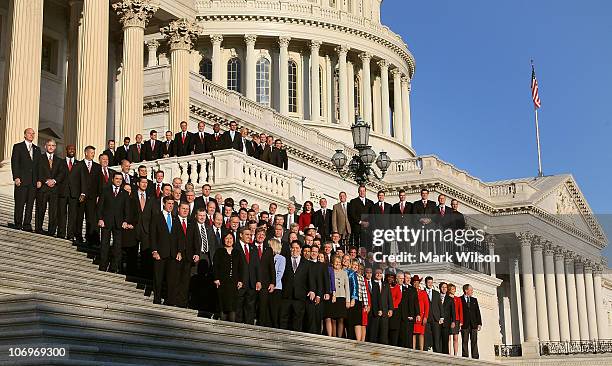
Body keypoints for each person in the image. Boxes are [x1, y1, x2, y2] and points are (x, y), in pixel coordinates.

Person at [150, 196, 182, 305]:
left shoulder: (175, 218)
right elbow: (153, 235)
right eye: (169, 203)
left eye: (172, 204)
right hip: (160, 253)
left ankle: (169, 300)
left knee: (171, 279)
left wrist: (179, 251)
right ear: (164, 203)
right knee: (158, 278)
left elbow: (179, 237)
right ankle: (157, 298)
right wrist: (154, 251)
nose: (171, 206)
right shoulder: (156, 217)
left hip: (172, 254)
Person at [97, 172, 129, 272]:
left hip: (119, 223)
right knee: (104, 244)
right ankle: (103, 265)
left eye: (120, 179)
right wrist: (100, 219)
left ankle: (114, 267)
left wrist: (125, 221)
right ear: (112, 179)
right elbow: (100, 206)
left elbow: (126, 209)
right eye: (117, 179)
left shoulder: (125, 193)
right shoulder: (105, 190)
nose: (118, 181)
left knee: (117, 246)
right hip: (106, 221)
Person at [280, 240, 315, 331]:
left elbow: (310, 278)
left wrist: (312, 290)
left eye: (297, 248)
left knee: (297, 319)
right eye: (293, 248)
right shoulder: (285, 260)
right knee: (284, 318)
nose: (294, 250)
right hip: (286, 294)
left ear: (300, 249)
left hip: (300, 296)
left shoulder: (307, 263)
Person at [10, 128, 40, 231]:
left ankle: (27, 224)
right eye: (29, 133)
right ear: (25, 135)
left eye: (33, 134)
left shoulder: (37, 149)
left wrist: (38, 180)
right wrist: (16, 177)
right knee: (20, 203)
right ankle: (18, 223)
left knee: (30, 205)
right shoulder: (18, 147)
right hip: (21, 180)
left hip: (32, 182)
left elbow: (38, 167)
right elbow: (15, 163)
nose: (31, 135)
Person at [35, 139, 65, 236]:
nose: (51, 147)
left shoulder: (60, 160)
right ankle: (38, 228)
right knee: (41, 209)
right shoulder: (40, 158)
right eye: (49, 145)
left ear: (55, 147)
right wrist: (46, 180)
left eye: (53, 145)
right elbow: (38, 171)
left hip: (54, 189)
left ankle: (51, 231)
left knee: (53, 211)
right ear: (45, 146)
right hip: (43, 187)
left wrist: (54, 181)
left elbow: (61, 173)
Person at [213, 231, 244, 322]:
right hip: (222, 282)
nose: (229, 240)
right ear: (223, 240)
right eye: (227, 238)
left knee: (232, 305)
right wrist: (216, 278)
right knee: (223, 304)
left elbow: (241, 267)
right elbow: (215, 266)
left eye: (231, 238)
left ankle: (232, 327)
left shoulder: (237, 252)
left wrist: (240, 280)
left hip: (233, 282)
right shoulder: (219, 251)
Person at [76, 145, 102, 245]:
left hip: (92, 197)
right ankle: (78, 235)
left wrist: (98, 196)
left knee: (90, 218)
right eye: (91, 153)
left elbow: (99, 183)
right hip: (81, 197)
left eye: (94, 153)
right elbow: (76, 181)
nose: (93, 155)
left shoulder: (97, 167)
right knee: (79, 217)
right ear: (86, 153)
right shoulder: (79, 164)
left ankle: (89, 237)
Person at [254, 227, 276, 327]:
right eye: (259, 234)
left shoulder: (268, 250)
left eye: (263, 235)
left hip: (265, 282)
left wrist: (273, 282)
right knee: (251, 303)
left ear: (265, 237)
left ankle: (261, 325)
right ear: (255, 235)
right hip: (252, 280)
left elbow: (272, 267)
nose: (260, 236)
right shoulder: (250, 247)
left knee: (263, 305)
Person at [57, 144, 80, 240]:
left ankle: (70, 234)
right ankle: (61, 233)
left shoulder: (79, 164)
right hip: (62, 192)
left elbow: (81, 179)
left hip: (74, 193)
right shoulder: (60, 162)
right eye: (70, 149)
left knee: (72, 215)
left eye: (73, 149)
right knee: (61, 213)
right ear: (66, 150)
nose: (72, 150)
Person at [328, 255, 350, 338]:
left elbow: (347, 287)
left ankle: (340, 337)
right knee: (333, 319)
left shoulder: (344, 273)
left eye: (338, 261)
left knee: (341, 319)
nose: (337, 263)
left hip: (342, 297)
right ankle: (333, 337)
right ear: (333, 263)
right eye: (335, 261)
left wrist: (348, 300)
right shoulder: (330, 271)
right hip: (333, 297)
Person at [369, 268, 392, 344]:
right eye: (377, 273)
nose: (379, 274)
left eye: (380, 273)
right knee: (374, 332)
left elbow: (389, 298)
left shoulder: (386, 285)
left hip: (385, 312)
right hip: (374, 312)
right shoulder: (371, 283)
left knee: (384, 332)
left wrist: (390, 309)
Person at [122, 182, 139, 277]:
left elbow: (137, 215)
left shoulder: (134, 201)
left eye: (129, 189)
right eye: (126, 189)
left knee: (132, 253)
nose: (128, 191)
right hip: (122, 229)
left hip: (131, 230)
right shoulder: (119, 200)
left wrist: (131, 224)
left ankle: (131, 271)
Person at [267, 238, 286, 328]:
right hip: (266, 286)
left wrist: (273, 284)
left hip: (277, 287)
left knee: (274, 310)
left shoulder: (281, 258)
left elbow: (280, 273)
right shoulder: (267, 257)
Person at [398, 270, 419, 348]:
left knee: (409, 335)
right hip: (402, 315)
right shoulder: (400, 287)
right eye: (406, 278)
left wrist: (417, 314)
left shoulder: (413, 289)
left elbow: (416, 303)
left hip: (411, 315)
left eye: (409, 278)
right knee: (402, 335)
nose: (408, 280)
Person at [461, 284, 482, 359]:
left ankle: (475, 357)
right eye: (471, 290)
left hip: (474, 324)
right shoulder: (460, 299)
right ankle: (465, 357)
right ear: (466, 290)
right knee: (464, 341)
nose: (472, 291)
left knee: (474, 341)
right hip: (464, 324)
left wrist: (479, 323)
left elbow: (477, 312)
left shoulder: (474, 300)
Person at [424, 275, 442, 352]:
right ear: (425, 283)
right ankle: (427, 349)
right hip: (427, 317)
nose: (430, 284)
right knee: (427, 335)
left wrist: (442, 317)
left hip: (435, 317)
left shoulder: (436, 293)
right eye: (428, 282)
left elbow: (440, 305)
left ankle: (437, 351)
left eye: (431, 282)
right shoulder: (423, 292)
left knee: (436, 335)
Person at [412, 275, 429, 350]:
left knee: (421, 333)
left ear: (419, 283)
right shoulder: (410, 292)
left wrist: (425, 316)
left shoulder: (423, 292)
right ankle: (413, 349)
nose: (416, 284)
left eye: (417, 282)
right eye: (414, 282)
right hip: (414, 315)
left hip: (421, 316)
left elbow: (427, 305)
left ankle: (421, 349)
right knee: (414, 333)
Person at [438, 282, 456, 354]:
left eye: (445, 287)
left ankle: (445, 354)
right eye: (442, 287)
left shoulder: (450, 299)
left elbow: (453, 311)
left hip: (446, 322)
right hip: (437, 321)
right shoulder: (436, 296)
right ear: (440, 288)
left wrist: (453, 321)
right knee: (437, 339)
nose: (444, 289)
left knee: (445, 339)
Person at [448, 283, 463, 356]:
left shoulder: (458, 299)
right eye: (453, 289)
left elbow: (460, 311)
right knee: (449, 337)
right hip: (449, 319)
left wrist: (461, 321)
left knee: (456, 338)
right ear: (449, 290)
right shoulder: (447, 298)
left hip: (456, 320)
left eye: (454, 289)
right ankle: (449, 353)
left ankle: (455, 354)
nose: (454, 290)